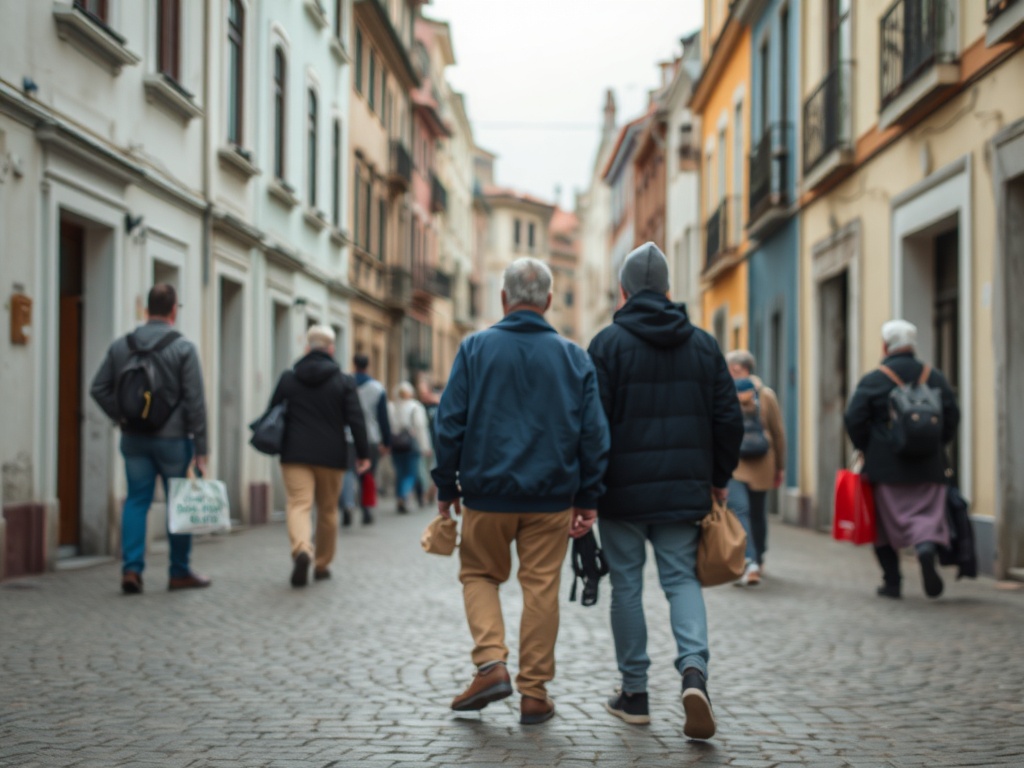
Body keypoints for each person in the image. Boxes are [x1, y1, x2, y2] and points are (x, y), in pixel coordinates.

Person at [433, 257, 610, 726]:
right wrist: (588, 498)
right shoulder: (575, 357)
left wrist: (445, 486)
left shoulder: (474, 349)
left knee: (478, 574)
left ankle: (491, 665)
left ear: (503, 299)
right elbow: (594, 434)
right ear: (549, 301)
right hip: (552, 499)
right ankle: (534, 694)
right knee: (541, 589)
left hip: (486, 496)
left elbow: (449, 422)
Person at [587, 242, 743, 740]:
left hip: (620, 496)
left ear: (623, 290)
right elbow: (729, 420)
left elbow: (590, 426)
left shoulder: (606, 345)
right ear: (669, 289)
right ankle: (693, 672)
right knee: (681, 581)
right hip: (683, 494)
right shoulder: (703, 344)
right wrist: (718, 479)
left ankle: (634, 694)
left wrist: (586, 491)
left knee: (626, 586)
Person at [90, 283, 211, 594]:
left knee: (136, 501)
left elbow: (98, 388)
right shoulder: (184, 348)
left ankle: (131, 570)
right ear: (173, 311)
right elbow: (195, 401)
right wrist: (202, 449)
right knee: (178, 504)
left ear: (146, 310)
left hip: (134, 439)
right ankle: (179, 572)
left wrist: (121, 416)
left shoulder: (121, 346)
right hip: (174, 441)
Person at [844, 319, 960, 599]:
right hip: (929, 465)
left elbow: (854, 418)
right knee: (926, 517)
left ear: (885, 346)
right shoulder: (934, 377)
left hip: (886, 467)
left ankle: (892, 582)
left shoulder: (875, 379)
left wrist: (867, 447)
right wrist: (934, 444)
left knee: (884, 526)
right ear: (913, 345)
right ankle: (925, 549)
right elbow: (952, 416)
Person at [267, 326, 370, 587]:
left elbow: (272, 411)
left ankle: (302, 549)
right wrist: (363, 453)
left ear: (307, 347)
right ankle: (322, 564)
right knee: (327, 510)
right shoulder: (344, 381)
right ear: (332, 349)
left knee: (299, 504)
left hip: (294, 453)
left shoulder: (289, 378)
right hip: (331, 455)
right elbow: (356, 419)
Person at [725, 350, 787, 586]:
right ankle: (754, 559)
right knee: (749, 512)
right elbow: (778, 434)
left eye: (733, 369)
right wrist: (779, 466)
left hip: (737, 464)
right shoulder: (766, 394)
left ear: (742, 369)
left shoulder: (725, 393)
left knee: (749, 513)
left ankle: (754, 559)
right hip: (758, 463)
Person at [351, 353, 391, 525]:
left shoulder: (346, 383)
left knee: (348, 472)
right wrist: (387, 441)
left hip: (348, 437)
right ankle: (366, 508)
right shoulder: (377, 388)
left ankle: (346, 505)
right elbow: (383, 418)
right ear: (368, 366)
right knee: (368, 474)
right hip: (371, 437)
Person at [388, 381, 430, 514]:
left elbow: (388, 426)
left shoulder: (391, 406)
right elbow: (420, 428)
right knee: (411, 473)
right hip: (411, 444)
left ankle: (400, 496)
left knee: (400, 472)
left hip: (395, 444)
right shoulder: (415, 407)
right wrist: (425, 446)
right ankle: (404, 495)